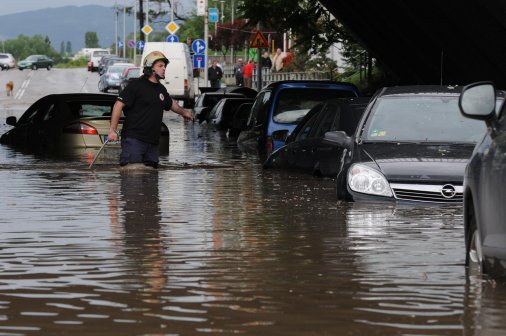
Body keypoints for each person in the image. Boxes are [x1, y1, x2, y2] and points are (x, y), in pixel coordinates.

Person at [107, 51, 193, 168]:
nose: (164, 69)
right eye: (160, 66)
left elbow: (171, 103)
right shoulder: (136, 85)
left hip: (152, 143)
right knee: (133, 175)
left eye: (164, 66)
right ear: (150, 68)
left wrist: (185, 113)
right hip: (134, 140)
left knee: (151, 178)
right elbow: (118, 105)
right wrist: (113, 130)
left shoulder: (161, 89)